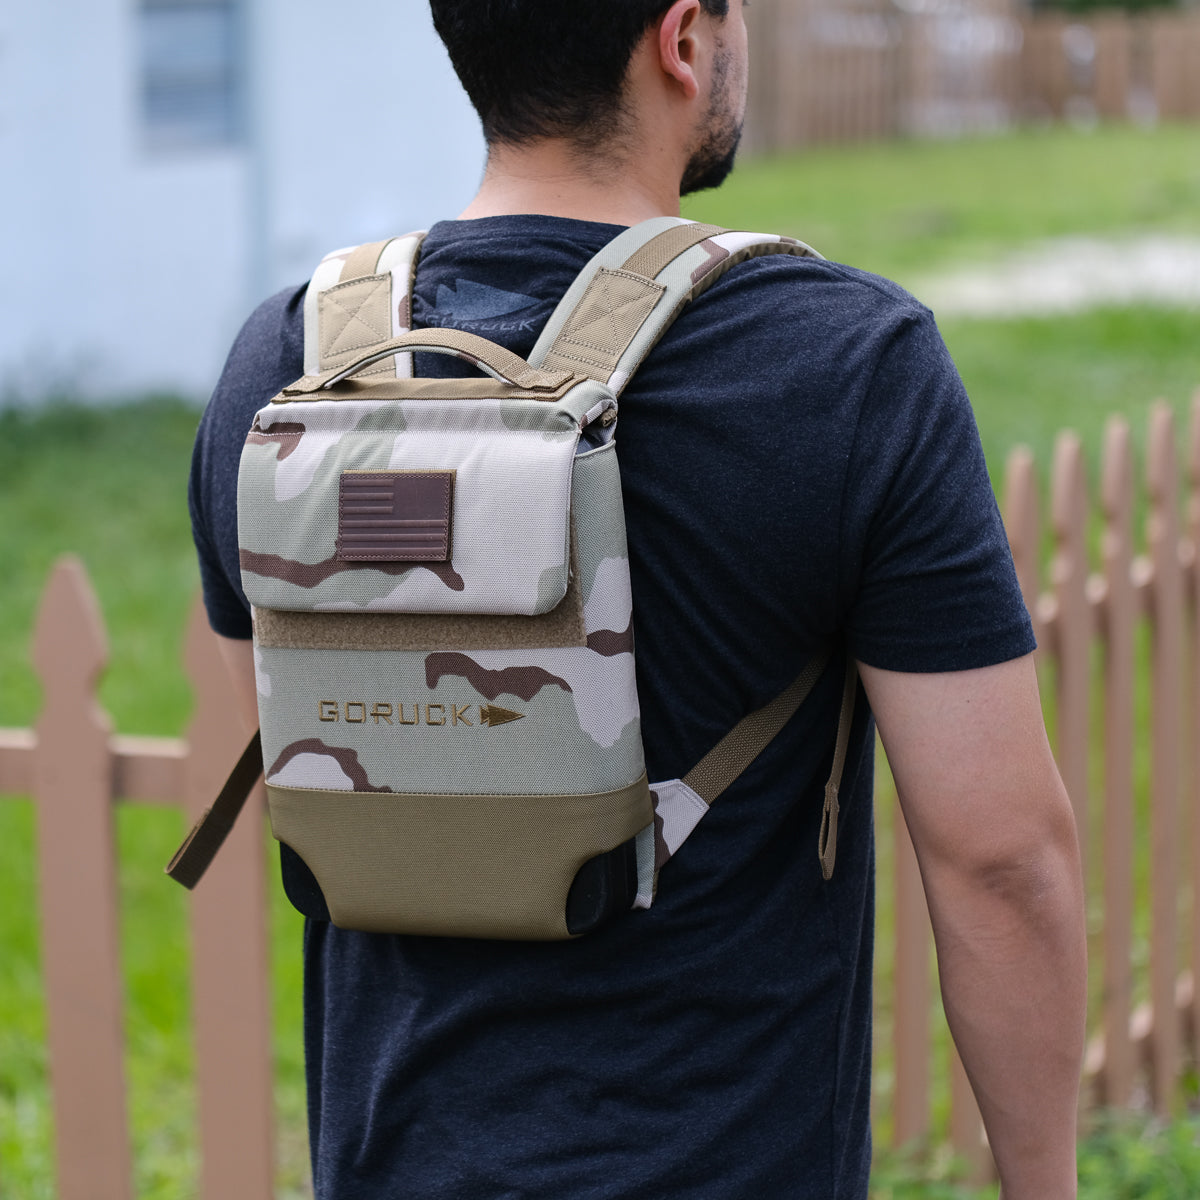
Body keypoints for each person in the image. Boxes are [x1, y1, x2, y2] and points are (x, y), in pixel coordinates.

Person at [188, 1, 1087, 1196]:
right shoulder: (843, 367)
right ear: (680, 38)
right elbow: (999, 860)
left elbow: (296, 727)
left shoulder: (289, 361)